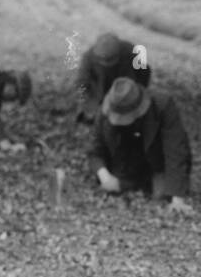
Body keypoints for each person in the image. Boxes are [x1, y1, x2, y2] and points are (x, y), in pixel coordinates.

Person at [90, 77, 194, 214]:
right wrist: (105, 177)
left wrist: (177, 198)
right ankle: (132, 183)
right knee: (119, 189)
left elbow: (176, 150)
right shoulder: (105, 111)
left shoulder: (163, 105)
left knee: (161, 195)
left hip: (157, 162)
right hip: (124, 163)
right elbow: (95, 151)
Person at [74, 33, 151, 123]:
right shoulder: (88, 57)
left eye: (111, 60)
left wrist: (139, 91)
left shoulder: (131, 50)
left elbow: (145, 71)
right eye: (104, 62)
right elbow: (81, 83)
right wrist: (86, 106)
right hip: (101, 91)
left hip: (125, 88)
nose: (108, 64)